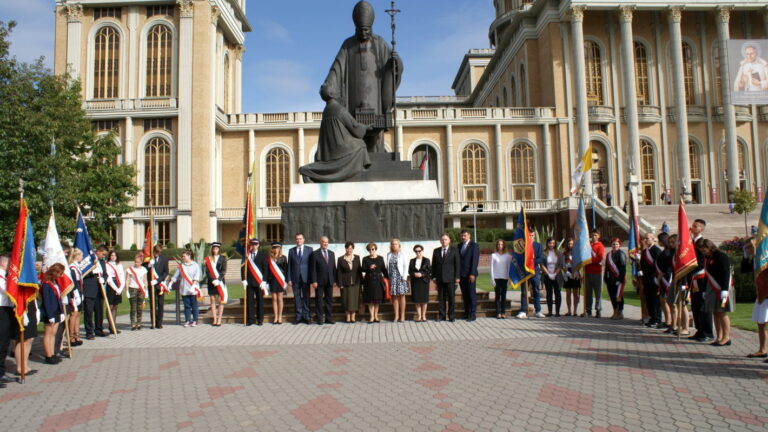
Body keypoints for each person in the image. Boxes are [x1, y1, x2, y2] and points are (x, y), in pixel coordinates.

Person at [322, 0, 403, 153]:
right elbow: (337, 67)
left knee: (374, 145)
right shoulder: (348, 45)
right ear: (355, 28)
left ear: (371, 28)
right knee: (355, 143)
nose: (364, 33)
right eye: (360, 30)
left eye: (367, 29)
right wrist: (329, 85)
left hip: (375, 103)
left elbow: (392, 70)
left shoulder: (380, 44)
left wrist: (396, 63)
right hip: (353, 104)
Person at [298, 83, 372, 183]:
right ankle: (348, 172)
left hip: (329, 149)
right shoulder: (339, 109)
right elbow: (355, 128)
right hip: (340, 147)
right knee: (361, 145)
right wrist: (366, 127)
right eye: (337, 91)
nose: (339, 93)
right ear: (332, 94)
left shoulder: (327, 110)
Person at [696, 238, 734, 346]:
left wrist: (725, 290)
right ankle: (719, 336)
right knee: (715, 312)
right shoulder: (708, 257)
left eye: (704, 250)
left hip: (722, 288)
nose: (703, 252)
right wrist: (703, 289)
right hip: (712, 288)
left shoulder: (721, 256)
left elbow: (726, 272)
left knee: (722, 312)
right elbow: (706, 275)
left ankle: (726, 337)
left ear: (709, 247)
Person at [688, 219, 713, 342]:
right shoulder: (692, 241)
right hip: (693, 277)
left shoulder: (701, 243)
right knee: (696, 305)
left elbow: (701, 262)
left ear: (701, 229)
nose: (692, 227)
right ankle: (699, 330)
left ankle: (707, 332)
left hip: (700, 277)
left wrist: (691, 271)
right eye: (692, 225)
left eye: (695, 226)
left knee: (703, 306)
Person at [742, 239, 767, 358]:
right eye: (746, 248)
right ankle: (762, 349)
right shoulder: (755, 260)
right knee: (760, 323)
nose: (748, 250)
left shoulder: (764, 260)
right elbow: (744, 270)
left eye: (750, 247)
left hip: (767, 294)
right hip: (761, 295)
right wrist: (746, 257)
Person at [40, 263, 65, 365]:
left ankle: (52, 353)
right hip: (49, 312)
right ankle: (48, 355)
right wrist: (50, 315)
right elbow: (46, 300)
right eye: (60, 273)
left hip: (57, 311)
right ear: (55, 272)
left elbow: (58, 297)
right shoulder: (46, 284)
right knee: (48, 334)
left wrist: (62, 311)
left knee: (53, 334)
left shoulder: (55, 282)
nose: (61, 275)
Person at [431, 234, 460, 322]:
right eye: (442, 239)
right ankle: (441, 316)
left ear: (449, 240)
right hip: (440, 278)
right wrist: (434, 277)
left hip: (451, 278)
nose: (444, 241)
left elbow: (457, 264)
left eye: (446, 239)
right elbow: (434, 265)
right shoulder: (436, 251)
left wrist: (457, 277)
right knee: (441, 298)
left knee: (451, 298)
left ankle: (451, 316)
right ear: (440, 241)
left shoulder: (454, 250)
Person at [82, 245, 108, 339]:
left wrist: (103, 279)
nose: (103, 256)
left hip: (99, 290)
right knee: (89, 312)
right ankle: (89, 332)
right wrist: (91, 272)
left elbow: (105, 274)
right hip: (89, 290)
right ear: (98, 252)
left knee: (99, 311)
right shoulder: (89, 261)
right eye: (103, 254)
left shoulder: (102, 262)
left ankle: (98, 329)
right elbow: (82, 273)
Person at [171, 250, 202, 327]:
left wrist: (193, 286)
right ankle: (187, 320)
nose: (183, 257)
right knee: (186, 306)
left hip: (193, 289)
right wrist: (170, 283)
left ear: (189, 256)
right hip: (184, 288)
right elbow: (175, 276)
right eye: (182, 256)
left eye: (184, 256)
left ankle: (195, 320)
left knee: (194, 305)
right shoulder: (181, 266)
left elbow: (197, 276)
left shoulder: (195, 265)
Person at [309, 236, 336, 325]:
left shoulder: (331, 253)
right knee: (319, 300)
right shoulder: (315, 254)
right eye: (323, 242)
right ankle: (320, 318)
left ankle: (329, 318)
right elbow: (312, 269)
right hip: (319, 281)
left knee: (329, 300)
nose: (325, 244)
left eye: (327, 242)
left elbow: (333, 268)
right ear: (320, 242)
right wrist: (314, 281)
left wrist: (334, 279)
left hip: (329, 281)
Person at [287, 233, 313, 324]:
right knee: (297, 297)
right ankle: (298, 316)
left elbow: (311, 265)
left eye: (300, 239)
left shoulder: (309, 250)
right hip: (295, 278)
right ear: (295, 240)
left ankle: (306, 316)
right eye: (297, 239)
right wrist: (289, 278)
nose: (299, 240)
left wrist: (312, 278)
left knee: (306, 297)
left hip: (306, 278)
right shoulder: (291, 251)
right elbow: (289, 265)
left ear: (304, 240)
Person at [519, 230, 545, 319]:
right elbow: (519, 257)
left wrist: (532, 262)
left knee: (536, 291)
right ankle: (523, 310)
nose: (531, 237)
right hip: (525, 272)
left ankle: (538, 310)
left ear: (534, 236)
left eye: (532, 235)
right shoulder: (523, 245)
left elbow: (541, 258)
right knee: (524, 291)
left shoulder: (538, 245)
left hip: (534, 271)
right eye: (529, 235)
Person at [0, 254, 17, 386]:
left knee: (4, 343)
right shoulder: (1, 277)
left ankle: (1, 373)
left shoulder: (5, 277)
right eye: (10, 264)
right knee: (1, 343)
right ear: (3, 264)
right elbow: (8, 291)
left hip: (6, 311)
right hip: (1, 311)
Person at [242, 239, 267, 326]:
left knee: (260, 301)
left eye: (256, 244)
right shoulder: (246, 255)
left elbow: (265, 269)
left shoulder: (263, 255)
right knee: (250, 301)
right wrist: (243, 279)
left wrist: (264, 281)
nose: (254, 246)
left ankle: (260, 319)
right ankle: (251, 319)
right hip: (249, 282)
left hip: (259, 282)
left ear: (258, 245)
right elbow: (243, 268)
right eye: (252, 244)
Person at [640, 232, 663, 328]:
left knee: (655, 300)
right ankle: (651, 317)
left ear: (653, 239)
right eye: (644, 238)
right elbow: (642, 264)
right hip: (646, 279)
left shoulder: (656, 251)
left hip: (653, 278)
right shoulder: (645, 251)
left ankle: (657, 319)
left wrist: (645, 272)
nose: (645, 240)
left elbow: (656, 266)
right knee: (648, 299)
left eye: (648, 238)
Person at [336, 241, 362, 323]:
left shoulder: (357, 257)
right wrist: (340, 284)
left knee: (354, 300)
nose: (349, 250)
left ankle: (353, 317)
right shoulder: (340, 259)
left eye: (351, 248)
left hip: (355, 282)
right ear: (345, 248)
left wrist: (361, 282)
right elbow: (339, 272)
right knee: (346, 300)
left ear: (353, 249)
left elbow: (359, 270)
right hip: (345, 282)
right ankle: (347, 317)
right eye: (347, 248)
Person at [385, 239, 409, 322]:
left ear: (399, 245)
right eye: (392, 244)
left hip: (400, 277)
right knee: (394, 297)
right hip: (392, 278)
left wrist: (404, 277)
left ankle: (402, 316)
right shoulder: (389, 254)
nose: (394, 245)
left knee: (402, 296)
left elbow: (406, 266)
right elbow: (387, 266)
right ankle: (396, 315)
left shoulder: (402, 254)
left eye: (396, 244)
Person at [362, 242, 387, 322]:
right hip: (369, 281)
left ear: (375, 249)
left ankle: (376, 316)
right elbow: (362, 269)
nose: (371, 251)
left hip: (378, 281)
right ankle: (371, 316)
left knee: (377, 300)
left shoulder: (380, 258)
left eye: (372, 249)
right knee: (370, 300)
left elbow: (383, 269)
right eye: (369, 250)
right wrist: (369, 267)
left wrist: (387, 278)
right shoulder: (365, 259)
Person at [204, 242, 227, 327]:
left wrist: (218, 280)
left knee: (221, 300)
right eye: (214, 248)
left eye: (216, 249)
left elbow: (223, 271)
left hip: (220, 282)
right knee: (212, 300)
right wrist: (212, 280)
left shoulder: (223, 258)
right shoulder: (208, 259)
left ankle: (219, 319)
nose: (215, 250)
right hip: (211, 282)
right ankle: (214, 318)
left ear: (219, 249)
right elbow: (207, 271)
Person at [458, 230, 480, 321]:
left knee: (471, 295)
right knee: (465, 295)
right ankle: (466, 313)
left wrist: (472, 273)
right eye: (462, 235)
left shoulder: (474, 246)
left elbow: (475, 261)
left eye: (465, 235)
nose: (463, 237)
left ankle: (472, 314)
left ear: (469, 235)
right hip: (461, 274)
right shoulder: (459, 246)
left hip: (470, 275)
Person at [604, 238, 627, 320]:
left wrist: (619, 280)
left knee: (618, 296)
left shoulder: (621, 254)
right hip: (610, 279)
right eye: (613, 244)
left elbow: (623, 269)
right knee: (612, 296)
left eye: (617, 244)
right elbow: (607, 267)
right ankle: (615, 311)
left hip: (618, 279)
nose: (615, 246)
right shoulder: (608, 254)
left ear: (619, 245)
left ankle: (620, 312)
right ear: (611, 245)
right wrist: (605, 278)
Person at [584, 230, 605, 318]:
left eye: (595, 235)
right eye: (592, 235)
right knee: (588, 292)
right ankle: (588, 310)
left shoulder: (600, 246)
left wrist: (589, 261)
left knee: (598, 292)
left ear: (599, 236)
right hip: (588, 272)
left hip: (597, 272)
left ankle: (598, 310)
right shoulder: (587, 245)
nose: (593, 237)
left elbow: (599, 258)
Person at [125, 253, 148, 331]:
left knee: (140, 307)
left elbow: (145, 280)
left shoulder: (144, 269)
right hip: (133, 288)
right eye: (135, 262)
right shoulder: (130, 269)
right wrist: (127, 290)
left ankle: (139, 323)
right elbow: (127, 280)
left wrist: (146, 290)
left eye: (138, 262)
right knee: (133, 307)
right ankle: (133, 323)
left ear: (141, 262)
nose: (136, 263)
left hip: (141, 289)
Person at [266, 242, 288, 325]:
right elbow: (267, 271)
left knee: (280, 299)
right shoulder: (269, 258)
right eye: (274, 247)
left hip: (280, 280)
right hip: (272, 280)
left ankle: (280, 316)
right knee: (274, 299)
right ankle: (275, 317)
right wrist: (267, 282)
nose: (276, 249)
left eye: (277, 247)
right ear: (272, 249)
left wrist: (286, 281)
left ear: (280, 248)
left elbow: (286, 270)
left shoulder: (283, 258)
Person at [541, 237, 563, 317]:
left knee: (557, 293)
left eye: (553, 243)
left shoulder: (559, 253)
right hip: (547, 276)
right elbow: (542, 264)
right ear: (547, 243)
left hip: (557, 276)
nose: (551, 245)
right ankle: (550, 311)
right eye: (550, 243)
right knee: (549, 293)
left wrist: (554, 274)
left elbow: (561, 265)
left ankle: (557, 312)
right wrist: (548, 274)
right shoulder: (544, 253)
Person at [408, 244, 430, 322]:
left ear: (422, 251)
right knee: (417, 300)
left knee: (424, 300)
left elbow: (428, 271)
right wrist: (414, 274)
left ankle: (424, 315)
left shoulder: (427, 260)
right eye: (416, 251)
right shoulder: (412, 261)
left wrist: (422, 274)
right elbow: (410, 271)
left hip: (424, 281)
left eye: (419, 251)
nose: (418, 252)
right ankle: (419, 315)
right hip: (415, 282)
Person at [655, 232, 673, 330]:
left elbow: (666, 268)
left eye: (659, 240)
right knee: (663, 300)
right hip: (662, 278)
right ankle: (667, 320)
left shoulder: (667, 252)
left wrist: (659, 277)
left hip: (666, 278)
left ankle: (669, 321)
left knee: (665, 300)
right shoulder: (665, 251)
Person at [67, 249, 84, 346]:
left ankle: (77, 335)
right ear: (76, 256)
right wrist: (76, 295)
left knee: (78, 315)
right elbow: (74, 282)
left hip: (79, 293)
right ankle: (71, 337)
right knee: (73, 315)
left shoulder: (77, 267)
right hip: (74, 294)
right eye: (81, 256)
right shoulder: (72, 268)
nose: (82, 257)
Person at [490, 239, 511, 319]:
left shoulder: (508, 256)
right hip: (496, 278)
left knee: (504, 296)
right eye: (498, 244)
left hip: (505, 278)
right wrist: (492, 279)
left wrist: (509, 279)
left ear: (504, 245)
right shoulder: (493, 255)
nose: (500, 246)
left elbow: (509, 267)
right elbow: (491, 268)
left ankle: (503, 312)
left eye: (501, 244)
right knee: (497, 296)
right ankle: (498, 312)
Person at [104, 250, 124, 334]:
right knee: (110, 306)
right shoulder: (107, 264)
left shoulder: (119, 264)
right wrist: (116, 289)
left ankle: (114, 325)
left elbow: (122, 276)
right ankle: (111, 326)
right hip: (111, 286)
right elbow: (108, 278)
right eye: (112, 255)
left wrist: (121, 288)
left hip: (118, 284)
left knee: (115, 306)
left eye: (114, 255)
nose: (113, 257)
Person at [562, 238, 581, 316]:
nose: (570, 245)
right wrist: (566, 272)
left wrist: (576, 271)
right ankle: (569, 310)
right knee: (568, 293)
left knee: (575, 293)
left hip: (575, 272)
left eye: (572, 244)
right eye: (569, 244)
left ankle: (575, 311)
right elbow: (562, 264)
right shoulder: (564, 253)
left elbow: (580, 263)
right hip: (568, 272)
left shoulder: (577, 253)